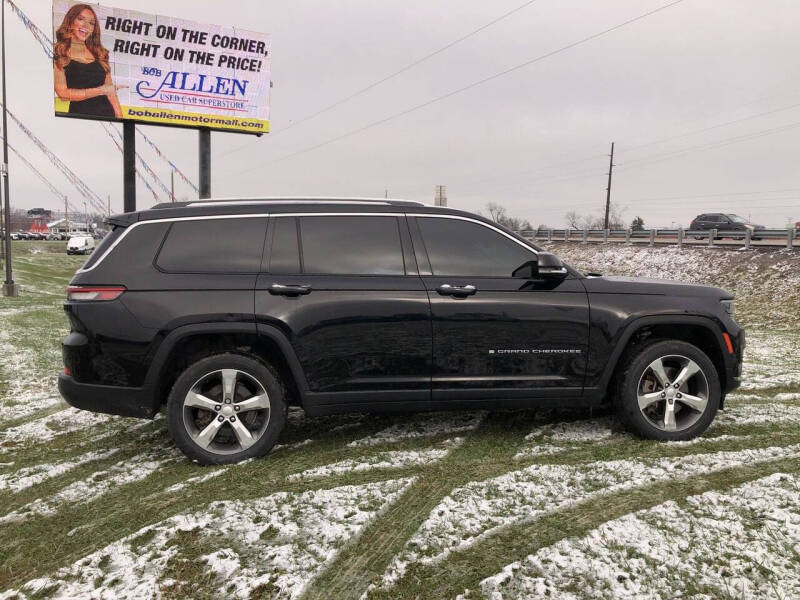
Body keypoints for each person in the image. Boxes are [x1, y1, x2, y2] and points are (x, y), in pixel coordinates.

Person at [53, 4, 125, 119]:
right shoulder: (59, 52)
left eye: (91, 23)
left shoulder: (100, 53)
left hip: (108, 116)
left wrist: (121, 120)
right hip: (80, 119)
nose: (86, 26)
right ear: (70, 21)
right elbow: (63, 94)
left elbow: (111, 93)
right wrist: (100, 91)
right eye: (81, 19)